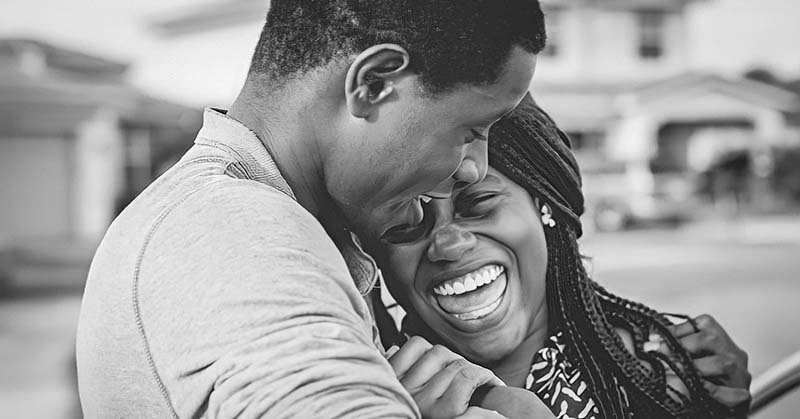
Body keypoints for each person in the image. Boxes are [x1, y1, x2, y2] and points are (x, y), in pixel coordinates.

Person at [75, 1, 547, 418]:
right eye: (471, 131)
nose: (473, 169)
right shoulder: (233, 233)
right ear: (374, 84)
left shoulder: (250, 219)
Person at [368, 95, 752, 418]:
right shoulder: (362, 392)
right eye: (406, 222)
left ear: (545, 207)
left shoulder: (658, 376)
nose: (447, 245)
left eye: (478, 204)